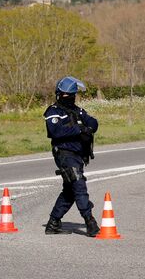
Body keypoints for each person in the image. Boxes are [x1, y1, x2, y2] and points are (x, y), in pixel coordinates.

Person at [43, 76, 100, 237]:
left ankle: (53, 223)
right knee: (78, 184)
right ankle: (90, 221)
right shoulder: (53, 111)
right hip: (64, 154)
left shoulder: (78, 111)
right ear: (59, 94)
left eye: (71, 95)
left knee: (70, 191)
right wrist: (79, 129)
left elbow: (93, 122)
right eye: (65, 95)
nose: (68, 98)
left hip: (78, 155)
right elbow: (55, 131)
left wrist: (88, 128)